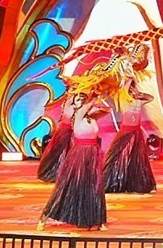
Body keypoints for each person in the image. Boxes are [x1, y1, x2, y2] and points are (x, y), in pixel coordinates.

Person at [37, 92, 110, 231]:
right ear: (74, 104)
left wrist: (99, 102)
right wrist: (93, 97)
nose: (81, 101)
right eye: (78, 100)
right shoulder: (77, 115)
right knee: (67, 185)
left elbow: (108, 110)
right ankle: (44, 218)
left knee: (94, 187)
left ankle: (98, 220)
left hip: (93, 154)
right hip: (79, 154)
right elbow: (84, 107)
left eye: (83, 99)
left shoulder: (91, 117)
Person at [103, 92, 157, 194]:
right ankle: (114, 180)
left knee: (135, 158)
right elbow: (123, 91)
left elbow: (151, 98)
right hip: (125, 132)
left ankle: (135, 183)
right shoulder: (124, 102)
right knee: (120, 155)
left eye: (134, 91)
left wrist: (141, 95)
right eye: (131, 92)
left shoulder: (139, 102)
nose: (133, 93)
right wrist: (128, 85)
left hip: (136, 133)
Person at [38, 92, 78, 183]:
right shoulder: (68, 104)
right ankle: (54, 171)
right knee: (60, 153)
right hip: (64, 132)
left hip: (72, 133)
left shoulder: (78, 107)